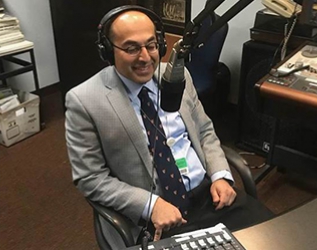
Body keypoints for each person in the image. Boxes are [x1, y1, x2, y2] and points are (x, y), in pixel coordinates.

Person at [65, 5, 274, 249]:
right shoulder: (84, 100)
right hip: (155, 217)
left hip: (211, 197)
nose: (145, 57)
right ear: (109, 51)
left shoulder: (176, 76)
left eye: (151, 45)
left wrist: (220, 175)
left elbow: (205, 131)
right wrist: (150, 205)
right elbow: (90, 178)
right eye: (131, 48)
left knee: (275, 238)